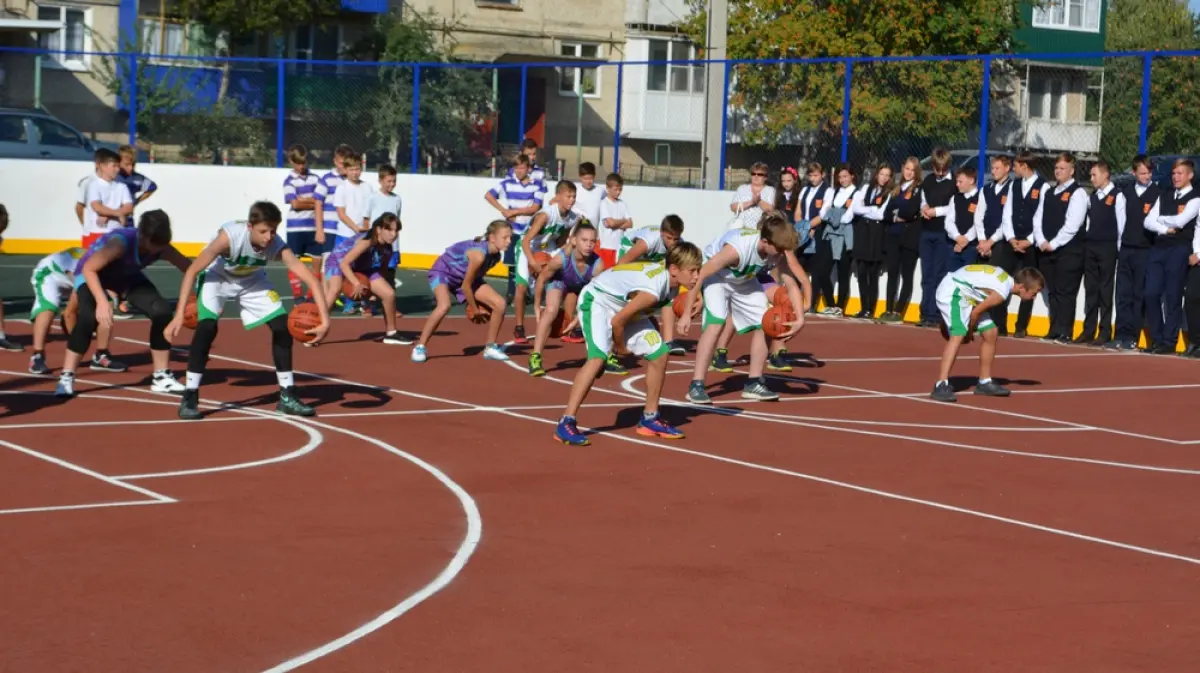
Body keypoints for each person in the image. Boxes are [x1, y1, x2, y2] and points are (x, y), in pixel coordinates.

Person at [166, 202, 331, 419]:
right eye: (264, 231)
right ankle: (190, 394)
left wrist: (326, 321)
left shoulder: (276, 244)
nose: (269, 236)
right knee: (207, 328)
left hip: (252, 280)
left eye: (273, 230)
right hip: (217, 277)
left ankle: (287, 396)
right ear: (250, 227)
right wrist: (179, 313)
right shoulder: (229, 237)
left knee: (282, 327)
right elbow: (192, 271)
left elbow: (310, 278)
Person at [553, 243, 704, 446]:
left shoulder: (670, 278)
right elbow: (618, 322)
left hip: (620, 305)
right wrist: (621, 349)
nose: (696, 276)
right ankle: (566, 422)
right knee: (597, 359)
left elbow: (629, 297)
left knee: (659, 352)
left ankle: (650, 418)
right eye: (693, 271)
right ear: (675, 269)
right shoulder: (654, 289)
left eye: (698, 270)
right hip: (598, 302)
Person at [55, 210, 191, 398]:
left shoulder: (162, 247)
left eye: (161, 246)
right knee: (88, 318)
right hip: (92, 274)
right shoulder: (120, 242)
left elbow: (191, 269)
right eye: (153, 246)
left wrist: (205, 294)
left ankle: (161, 377)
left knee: (162, 311)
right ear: (142, 235)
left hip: (126, 277)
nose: (156, 251)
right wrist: (102, 301)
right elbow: (89, 268)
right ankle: (66, 377)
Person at [678, 214, 804, 404]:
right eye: (778, 249)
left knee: (766, 321)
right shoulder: (736, 249)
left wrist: (800, 319)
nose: (781, 253)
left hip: (744, 279)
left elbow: (792, 284)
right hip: (717, 278)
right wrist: (687, 313)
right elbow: (702, 274)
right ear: (764, 241)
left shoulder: (777, 251)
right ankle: (696, 385)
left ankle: (753, 383)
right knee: (716, 324)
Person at [930, 265, 1045, 403]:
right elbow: (975, 313)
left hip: (968, 293)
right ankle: (941, 384)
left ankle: (984, 382)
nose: (1034, 297)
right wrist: (969, 332)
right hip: (954, 290)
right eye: (1034, 293)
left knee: (991, 332)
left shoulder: (1006, 281)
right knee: (959, 334)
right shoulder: (1001, 292)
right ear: (1021, 287)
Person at [413, 220, 513, 363]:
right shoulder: (479, 255)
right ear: (492, 238)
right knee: (444, 305)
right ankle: (420, 346)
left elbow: (472, 281)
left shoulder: (496, 257)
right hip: (443, 273)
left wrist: (474, 301)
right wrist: (474, 307)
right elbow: (467, 286)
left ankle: (490, 347)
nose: (509, 241)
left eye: (510, 237)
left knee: (500, 304)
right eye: (505, 237)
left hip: (463, 279)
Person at [529, 221, 605, 377]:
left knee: (598, 316)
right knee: (551, 311)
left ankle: (600, 357)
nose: (589, 245)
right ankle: (535, 357)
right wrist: (537, 306)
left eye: (592, 241)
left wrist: (578, 319)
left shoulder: (597, 265)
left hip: (584, 287)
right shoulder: (560, 259)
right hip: (560, 281)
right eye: (584, 240)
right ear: (574, 241)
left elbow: (595, 295)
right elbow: (542, 278)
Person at [323, 213, 409, 345]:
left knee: (389, 294)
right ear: (379, 229)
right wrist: (356, 283)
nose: (394, 234)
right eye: (389, 229)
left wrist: (374, 291)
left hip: (363, 267)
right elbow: (344, 264)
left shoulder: (387, 248)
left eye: (396, 230)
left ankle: (391, 333)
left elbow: (382, 271)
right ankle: (317, 327)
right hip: (339, 261)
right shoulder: (366, 242)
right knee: (334, 290)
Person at [617, 215, 688, 356]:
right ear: (662, 233)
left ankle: (668, 341)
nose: (673, 242)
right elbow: (622, 264)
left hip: (652, 260)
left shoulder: (678, 245)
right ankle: (617, 332)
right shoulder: (649, 241)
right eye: (669, 238)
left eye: (676, 239)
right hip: (631, 254)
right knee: (630, 295)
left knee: (670, 287)